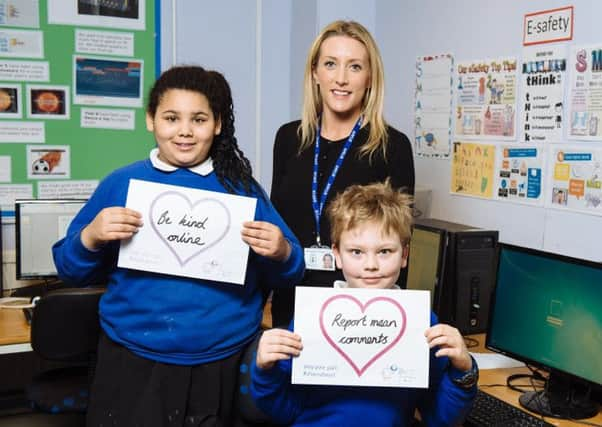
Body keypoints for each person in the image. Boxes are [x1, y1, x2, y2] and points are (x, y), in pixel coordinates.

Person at [52, 65, 305, 427]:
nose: (185, 131)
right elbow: (69, 268)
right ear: (151, 120)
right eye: (172, 118)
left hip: (223, 360)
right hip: (132, 359)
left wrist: (282, 251)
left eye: (198, 119)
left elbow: (290, 270)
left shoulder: (241, 189)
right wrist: (90, 236)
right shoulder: (121, 183)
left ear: (217, 124)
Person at [251, 181, 477, 426]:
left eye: (385, 251)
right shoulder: (312, 317)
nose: (371, 265)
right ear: (336, 255)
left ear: (404, 255)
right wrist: (265, 371)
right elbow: (285, 411)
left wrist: (463, 371)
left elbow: (440, 418)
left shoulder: (421, 324)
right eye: (356, 252)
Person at [270, 20, 415, 327]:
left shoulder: (393, 147)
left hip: (360, 314)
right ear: (315, 72)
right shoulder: (288, 138)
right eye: (331, 64)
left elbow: (400, 245)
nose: (341, 79)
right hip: (291, 303)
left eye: (354, 67)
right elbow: (277, 225)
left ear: (370, 77)